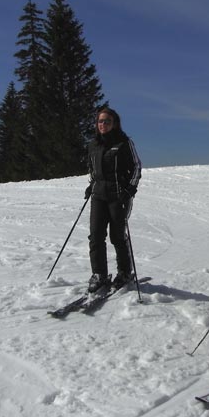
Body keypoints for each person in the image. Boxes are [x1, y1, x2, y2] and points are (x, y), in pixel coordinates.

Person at [85, 107, 142, 293]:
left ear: (114, 124)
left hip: (119, 196)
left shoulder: (124, 143)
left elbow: (136, 167)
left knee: (117, 236)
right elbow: (93, 169)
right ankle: (99, 274)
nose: (103, 125)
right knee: (95, 236)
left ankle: (124, 272)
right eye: (100, 121)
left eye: (107, 121)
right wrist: (91, 184)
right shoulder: (93, 145)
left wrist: (129, 190)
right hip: (99, 196)